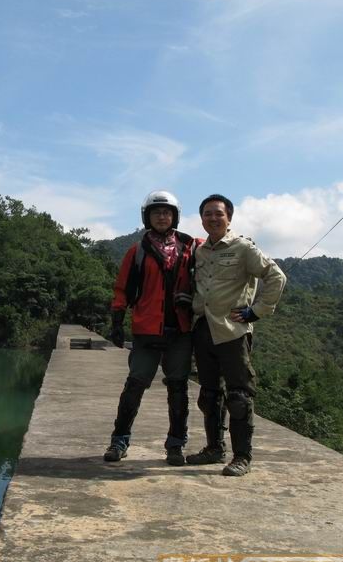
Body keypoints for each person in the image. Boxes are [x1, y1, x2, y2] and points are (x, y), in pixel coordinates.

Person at [185, 194, 286, 476]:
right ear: (202, 219)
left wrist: (257, 311)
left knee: (239, 396)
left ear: (229, 217)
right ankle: (214, 448)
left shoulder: (243, 248)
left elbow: (276, 276)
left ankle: (242, 457)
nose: (213, 218)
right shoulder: (201, 252)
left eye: (218, 213)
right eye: (207, 214)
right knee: (209, 395)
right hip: (203, 329)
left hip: (233, 332)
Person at [103, 191, 201, 466]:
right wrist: (116, 321)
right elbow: (122, 288)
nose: (162, 216)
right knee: (134, 386)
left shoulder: (190, 247)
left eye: (167, 212)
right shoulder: (138, 251)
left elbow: (213, 258)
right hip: (147, 329)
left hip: (179, 329)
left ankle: (175, 445)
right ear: (147, 216)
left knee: (178, 389)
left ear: (175, 217)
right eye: (156, 212)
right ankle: (119, 441)